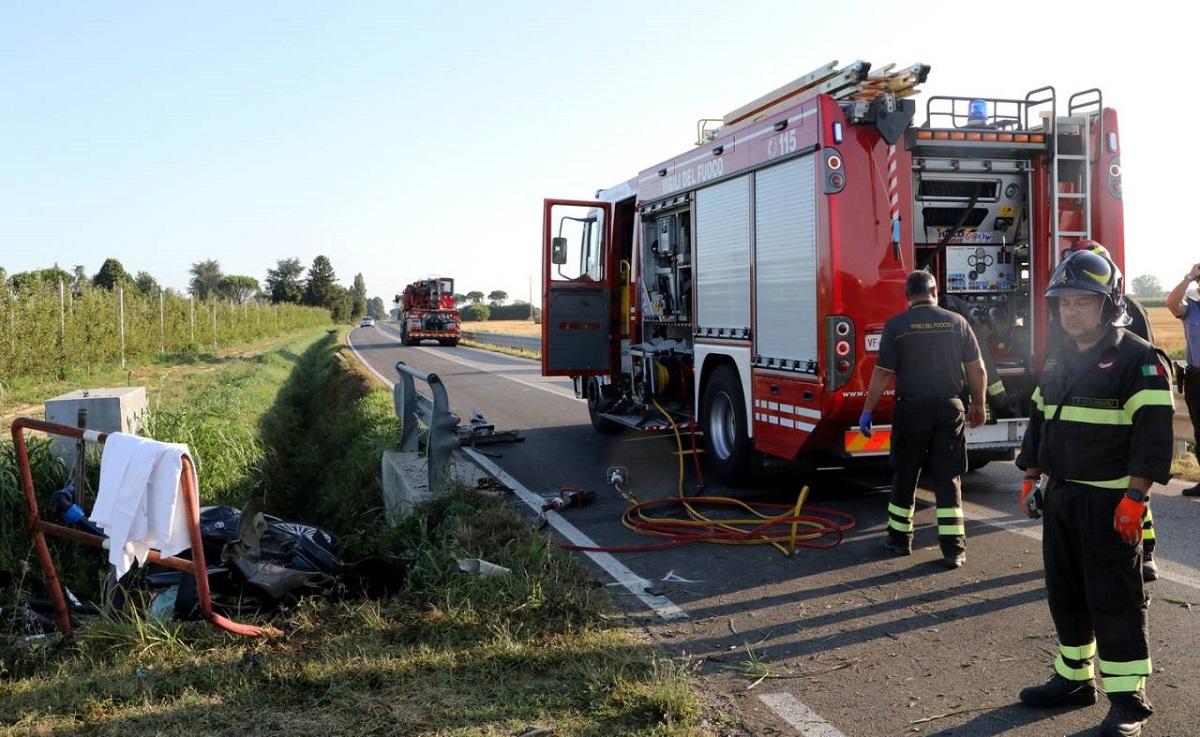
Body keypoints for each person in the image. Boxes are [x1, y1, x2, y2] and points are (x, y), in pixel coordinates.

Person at [1016, 248, 1174, 737]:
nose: (1072, 311)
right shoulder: (1060, 357)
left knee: (1115, 599)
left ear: (1110, 304)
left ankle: (1129, 701)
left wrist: (1136, 497)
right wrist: (1030, 474)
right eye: (1064, 303)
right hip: (1062, 498)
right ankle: (1074, 679)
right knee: (1065, 594)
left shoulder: (1138, 359)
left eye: (1084, 302)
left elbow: (1153, 434)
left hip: (1109, 504)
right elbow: (1041, 418)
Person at [859, 270, 987, 569]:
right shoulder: (958, 322)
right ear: (935, 291)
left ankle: (899, 541)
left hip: (911, 410)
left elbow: (882, 373)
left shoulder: (897, 326)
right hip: (949, 409)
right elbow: (977, 368)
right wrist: (979, 405)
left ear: (907, 297)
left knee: (905, 474)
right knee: (948, 478)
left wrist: (867, 410)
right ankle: (954, 550)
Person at [1166, 262, 1200, 497]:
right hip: (1197, 378)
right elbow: (1171, 303)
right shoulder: (1191, 310)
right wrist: (1189, 276)